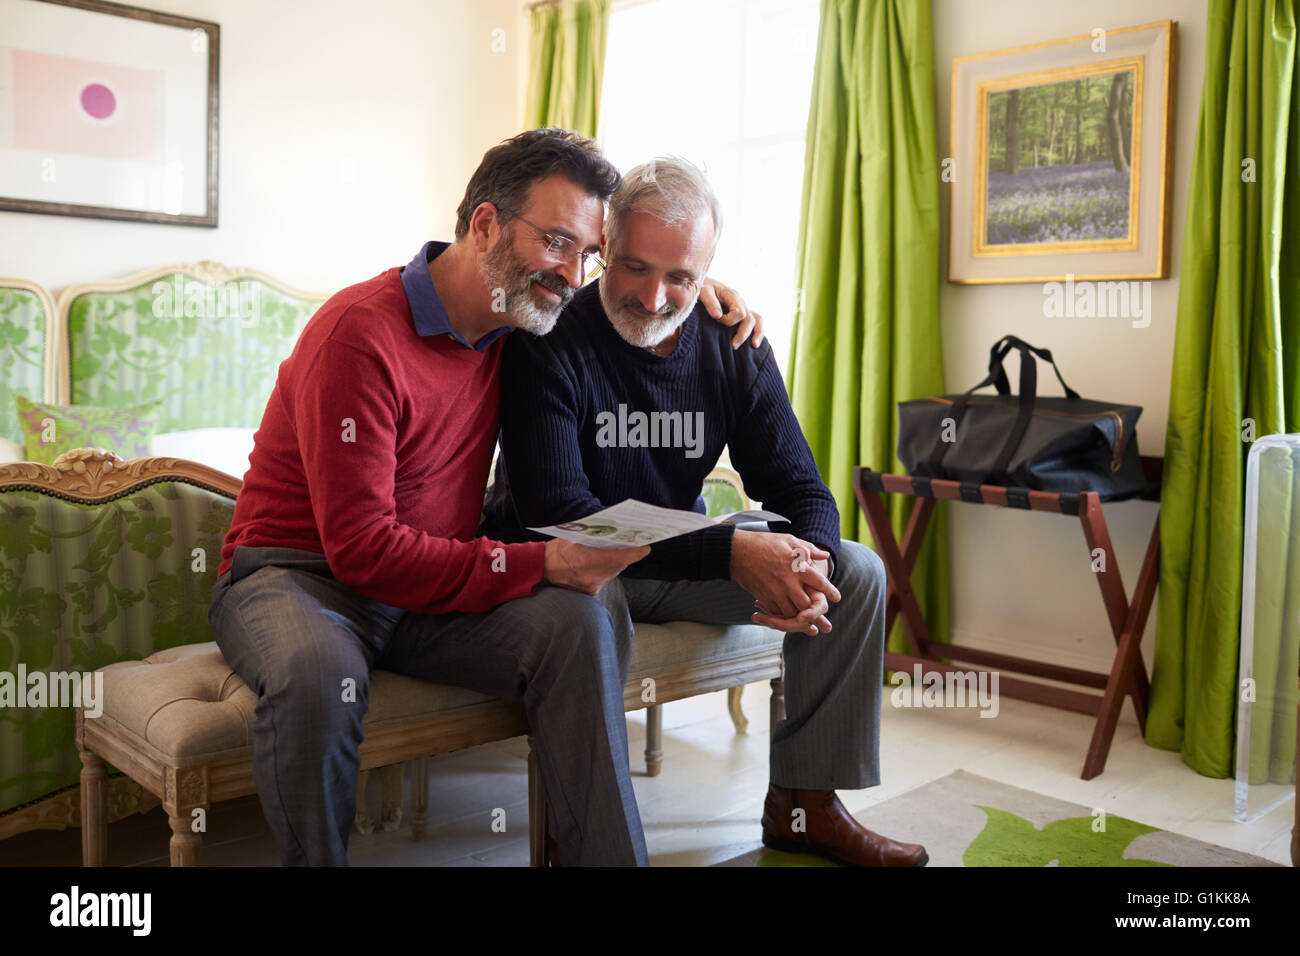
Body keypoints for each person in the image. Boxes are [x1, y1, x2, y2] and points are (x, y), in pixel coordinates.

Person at [209, 129, 762, 866]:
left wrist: (706, 298)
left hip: (423, 588)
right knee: (319, 673)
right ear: (484, 225)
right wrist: (540, 564)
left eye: (586, 254)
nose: (572, 274)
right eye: (557, 243)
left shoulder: (521, 325)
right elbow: (362, 550)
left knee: (575, 623)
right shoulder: (359, 334)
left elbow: (639, 296)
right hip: (298, 577)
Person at [477, 156, 929, 867]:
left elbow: (804, 491)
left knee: (859, 570)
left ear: (708, 269)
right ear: (603, 249)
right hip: (570, 565)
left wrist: (804, 560)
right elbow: (564, 515)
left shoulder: (731, 342)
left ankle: (804, 807)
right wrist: (727, 551)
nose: (655, 298)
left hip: (676, 556)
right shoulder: (550, 339)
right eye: (633, 267)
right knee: (585, 604)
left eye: (681, 277)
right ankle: (579, 838)